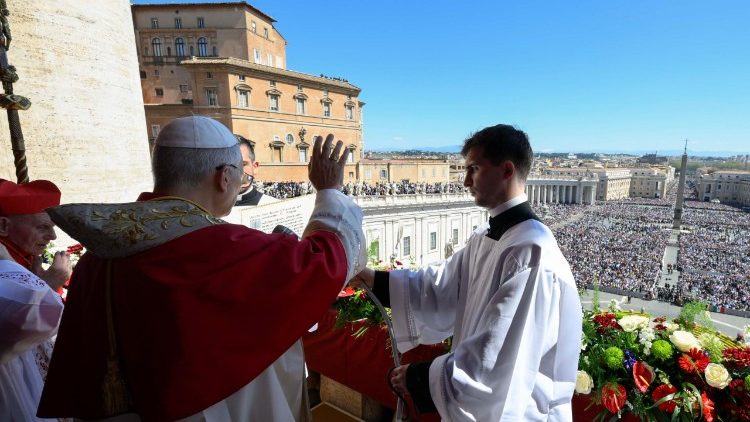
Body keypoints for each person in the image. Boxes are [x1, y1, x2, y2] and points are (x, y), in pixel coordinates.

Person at [37, 116, 366, 421]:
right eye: (240, 175)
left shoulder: (97, 257)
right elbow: (331, 258)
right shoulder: (228, 249)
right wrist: (329, 190)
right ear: (224, 177)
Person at [352, 124, 583, 421]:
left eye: (474, 169)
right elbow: (440, 286)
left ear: (507, 170)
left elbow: (496, 356)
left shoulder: (530, 251)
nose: (465, 181)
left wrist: (420, 377)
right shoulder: (487, 235)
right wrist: (373, 278)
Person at [0, 180, 66, 421]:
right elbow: (20, 325)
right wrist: (50, 284)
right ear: (3, 226)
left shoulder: (21, 257)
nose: (52, 236)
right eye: (42, 227)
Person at [235, 134, 278, 206]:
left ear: (254, 167)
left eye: (242, 164)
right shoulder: (212, 209)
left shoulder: (274, 206)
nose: (235, 171)